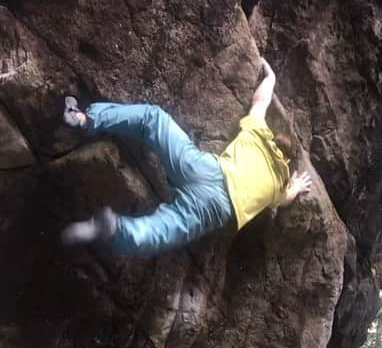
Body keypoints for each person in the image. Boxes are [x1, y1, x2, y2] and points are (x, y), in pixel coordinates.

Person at [61, 58, 312, 254]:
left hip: (204, 169)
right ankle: (117, 229)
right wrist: (296, 186)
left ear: (276, 139)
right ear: (286, 161)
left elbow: (261, 100)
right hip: (216, 208)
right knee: (161, 230)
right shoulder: (278, 184)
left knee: (153, 118)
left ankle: (85, 118)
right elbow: (286, 198)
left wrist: (271, 76)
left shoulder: (260, 133)